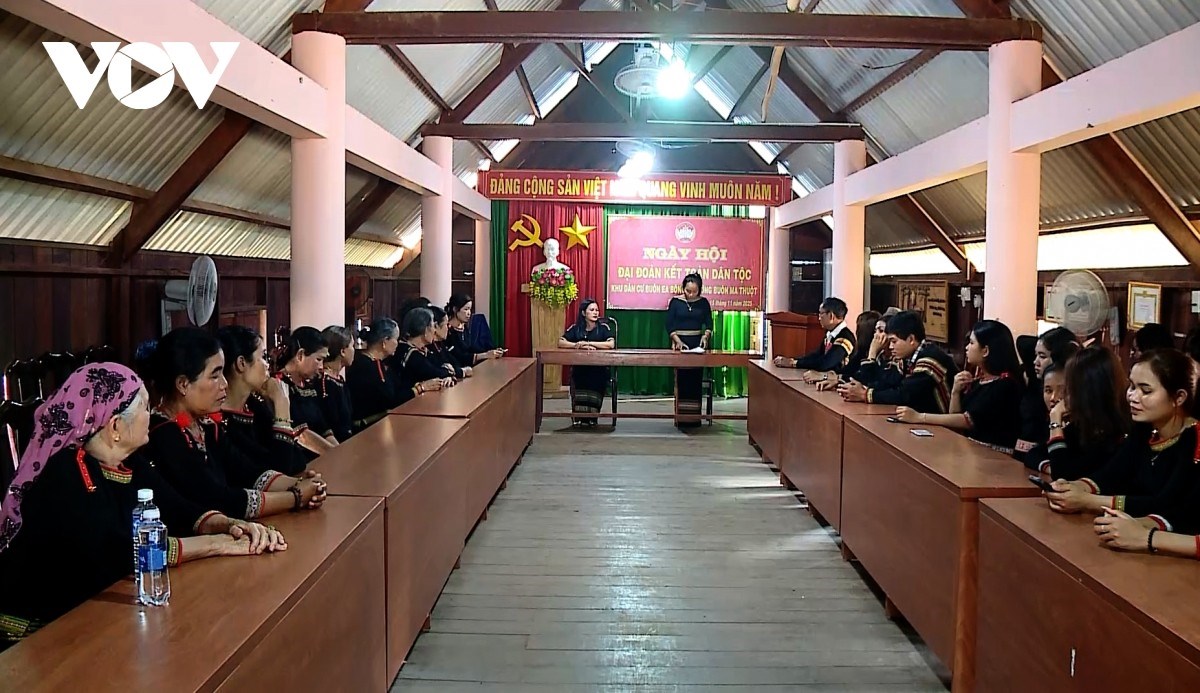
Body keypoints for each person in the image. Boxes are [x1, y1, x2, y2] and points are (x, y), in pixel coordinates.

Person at [0, 364, 285, 648]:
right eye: (145, 408)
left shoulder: (129, 462)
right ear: (115, 426)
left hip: (96, 615)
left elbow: (178, 507)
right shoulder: (67, 472)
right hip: (35, 637)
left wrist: (231, 525)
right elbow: (119, 550)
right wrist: (217, 545)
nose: (151, 415)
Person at [142, 327, 327, 520]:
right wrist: (295, 497)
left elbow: (247, 472)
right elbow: (219, 499)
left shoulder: (205, 425)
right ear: (183, 384)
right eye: (215, 376)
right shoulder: (164, 434)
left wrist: (299, 484)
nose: (224, 384)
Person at [1046, 349, 1200, 533]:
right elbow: (1111, 474)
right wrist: (1072, 487)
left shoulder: (1193, 440)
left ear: (1179, 397)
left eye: (1145, 390)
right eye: (1132, 387)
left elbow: (1164, 503)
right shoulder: (1144, 429)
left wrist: (1087, 501)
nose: (1132, 397)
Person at [892, 319, 1024, 452]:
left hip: (993, 454)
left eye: (971, 343)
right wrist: (955, 391)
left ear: (985, 351)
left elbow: (966, 421)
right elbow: (955, 419)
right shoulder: (979, 381)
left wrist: (919, 417)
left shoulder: (1005, 384)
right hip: (970, 449)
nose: (966, 348)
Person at [216, 326, 310, 474]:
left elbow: (297, 462)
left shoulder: (253, 405)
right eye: (263, 357)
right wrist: (281, 405)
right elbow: (279, 470)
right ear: (241, 363)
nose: (267, 365)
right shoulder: (219, 424)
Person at [1036, 346, 1130, 479]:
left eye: (1069, 388)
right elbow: (1034, 454)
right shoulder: (1082, 425)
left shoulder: (1119, 435)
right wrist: (1048, 466)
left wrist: (1055, 419)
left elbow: (1062, 475)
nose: (1066, 396)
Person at [839, 310, 957, 413]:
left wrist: (865, 394)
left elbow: (904, 395)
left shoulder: (929, 360)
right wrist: (858, 387)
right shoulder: (908, 358)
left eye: (894, 341)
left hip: (945, 425)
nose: (890, 346)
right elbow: (886, 384)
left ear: (911, 339)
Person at [345, 318, 414, 432]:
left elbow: (398, 387)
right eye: (396, 339)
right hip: (368, 428)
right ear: (385, 341)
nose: (398, 343)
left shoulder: (376, 362)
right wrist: (419, 389)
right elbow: (390, 399)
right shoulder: (368, 366)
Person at [275, 326, 336, 454]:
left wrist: (339, 449)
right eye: (319, 359)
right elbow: (301, 434)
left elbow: (323, 427)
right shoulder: (278, 384)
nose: (321, 367)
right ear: (300, 355)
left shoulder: (309, 384)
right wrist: (335, 454)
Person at [665, 273, 713, 429]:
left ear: (700, 290)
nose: (691, 294)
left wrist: (705, 336)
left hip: (697, 344)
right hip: (680, 344)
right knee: (682, 380)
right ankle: (681, 418)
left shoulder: (703, 303)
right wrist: (677, 340)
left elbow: (709, 323)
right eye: (688, 291)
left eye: (694, 291)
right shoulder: (676, 302)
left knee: (695, 380)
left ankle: (694, 418)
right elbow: (669, 324)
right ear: (683, 288)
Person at [558, 299, 615, 427]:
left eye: (597, 310)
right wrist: (577, 345)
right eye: (592, 310)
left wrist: (589, 343)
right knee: (579, 376)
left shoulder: (603, 328)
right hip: (580, 368)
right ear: (584, 313)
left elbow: (611, 344)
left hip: (598, 369)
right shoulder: (576, 328)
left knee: (596, 378)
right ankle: (579, 417)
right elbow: (561, 342)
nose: (595, 313)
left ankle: (592, 418)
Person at [772, 297, 856, 382]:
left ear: (831, 316)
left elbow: (826, 363)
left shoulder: (845, 338)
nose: (819, 318)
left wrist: (794, 363)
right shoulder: (830, 333)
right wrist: (793, 361)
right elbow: (816, 355)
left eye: (821, 313)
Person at [390, 308, 456, 396]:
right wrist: (448, 372)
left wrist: (448, 375)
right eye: (432, 326)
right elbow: (435, 373)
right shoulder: (411, 354)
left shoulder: (422, 349)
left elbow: (439, 365)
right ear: (425, 330)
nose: (434, 331)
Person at [813, 310, 879, 390]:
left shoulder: (845, 336)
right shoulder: (862, 352)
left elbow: (862, 379)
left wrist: (824, 376)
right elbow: (848, 371)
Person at [445, 293, 504, 367]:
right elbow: (459, 357)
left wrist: (492, 352)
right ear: (455, 309)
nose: (469, 313)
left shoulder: (464, 327)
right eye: (466, 309)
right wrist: (485, 355)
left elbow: (471, 349)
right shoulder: (447, 331)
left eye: (470, 309)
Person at [318, 325, 355, 442]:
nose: (354, 350)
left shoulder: (339, 379)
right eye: (352, 346)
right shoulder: (324, 383)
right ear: (343, 351)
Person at [428, 305, 471, 380]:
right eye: (446, 324)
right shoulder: (428, 349)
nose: (449, 327)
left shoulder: (440, 344)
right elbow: (437, 372)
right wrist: (461, 372)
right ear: (436, 326)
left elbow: (455, 363)